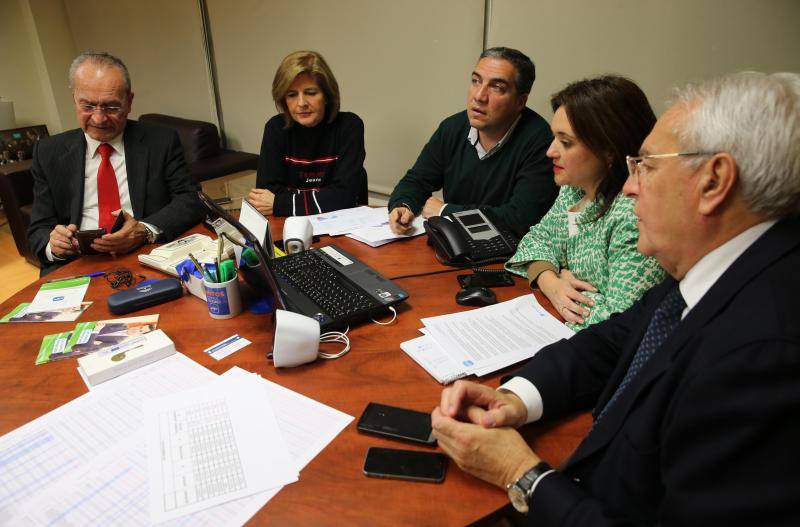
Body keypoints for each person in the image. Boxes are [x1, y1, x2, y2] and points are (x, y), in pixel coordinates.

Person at [431, 72, 800, 525]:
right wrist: (515, 396)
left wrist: (522, 476)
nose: (629, 186)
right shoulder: (727, 263)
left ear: (713, 181)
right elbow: (614, 339)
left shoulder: (765, 356)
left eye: (646, 165)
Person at [506, 76, 665, 330]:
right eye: (554, 138)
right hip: (564, 331)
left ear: (609, 149)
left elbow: (621, 322)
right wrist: (553, 282)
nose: (550, 151)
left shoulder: (635, 214)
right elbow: (537, 241)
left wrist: (566, 279)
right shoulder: (575, 188)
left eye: (566, 142)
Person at [27, 51, 205, 276]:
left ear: (129, 102)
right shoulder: (48, 152)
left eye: (111, 107)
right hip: (76, 265)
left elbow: (191, 199)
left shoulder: (161, 141)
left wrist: (143, 230)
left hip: (143, 255)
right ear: (74, 99)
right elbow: (38, 230)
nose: (99, 118)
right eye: (88, 106)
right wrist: (55, 245)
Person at [387, 47, 557, 233]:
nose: (479, 96)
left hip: (507, 254)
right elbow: (417, 181)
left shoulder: (541, 142)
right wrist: (403, 205)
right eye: (476, 81)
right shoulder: (452, 128)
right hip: (454, 244)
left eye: (497, 87)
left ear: (520, 102)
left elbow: (521, 218)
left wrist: (445, 211)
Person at [247, 50, 367, 217]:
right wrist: (325, 198)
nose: (301, 103)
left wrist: (280, 203)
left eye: (311, 93)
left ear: (326, 95)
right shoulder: (275, 128)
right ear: (283, 99)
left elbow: (344, 198)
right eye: (292, 95)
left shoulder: (350, 126)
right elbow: (264, 198)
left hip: (339, 227)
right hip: (288, 227)